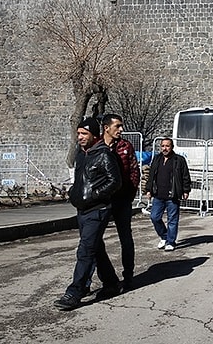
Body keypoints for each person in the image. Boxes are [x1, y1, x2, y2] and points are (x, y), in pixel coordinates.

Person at [54, 118, 123, 311]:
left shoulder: (105, 155)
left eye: (84, 134)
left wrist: (94, 195)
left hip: (97, 210)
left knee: (85, 250)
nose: (80, 137)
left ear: (94, 134)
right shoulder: (81, 155)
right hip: (82, 209)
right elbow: (79, 179)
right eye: (78, 134)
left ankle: (75, 292)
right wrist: (73, 193)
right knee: (95, 248)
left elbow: (115, 182)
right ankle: (111, 283)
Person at [101, 114, 140, 286]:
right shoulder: (97, 147)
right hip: (102, 200)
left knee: (126, 239)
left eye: (121, 126)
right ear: (106, 128)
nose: (121, 130)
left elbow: (134, 171)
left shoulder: (126, 146)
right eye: (118, 126)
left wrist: (129, 195)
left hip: (122, 199)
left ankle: (129, 275)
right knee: (93, 240)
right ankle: (89, 281)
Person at [145, 138, 191, 251]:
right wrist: (148, 189)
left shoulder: (179, 160)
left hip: (173, 195)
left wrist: (186, 190)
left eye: (167, 146)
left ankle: (171, 242)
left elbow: (185, 176)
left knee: (172, 220)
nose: (165, 148)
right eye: (163, 146)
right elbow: (151, 176)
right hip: (158, 195)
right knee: (154, 217)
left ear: (172, 147)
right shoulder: (157, 159)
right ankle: (164, 237)